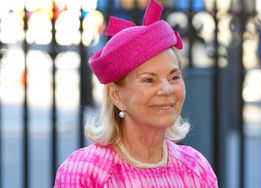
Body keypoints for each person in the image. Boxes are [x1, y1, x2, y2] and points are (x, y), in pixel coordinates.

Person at [54, 0, 218, 187]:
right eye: (149, 80)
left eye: (174, 77)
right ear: (116, 96)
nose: (167, 89)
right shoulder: (86, 171)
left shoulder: (195, 167)